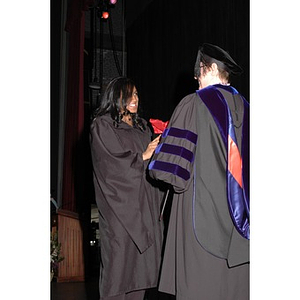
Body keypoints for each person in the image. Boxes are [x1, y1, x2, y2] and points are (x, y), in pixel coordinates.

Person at [149, 43, 250, 300]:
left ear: (213, 69)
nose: (196, 79)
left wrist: (158, 152)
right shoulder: (248, 109)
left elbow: (171, 172)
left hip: (202, 222)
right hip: (244, 228)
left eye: (199, 72)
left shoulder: (194, 103)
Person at [90, 77, 164, 300]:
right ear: (116, 96)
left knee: (140, 275)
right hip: (120, 214)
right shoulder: (102, 125)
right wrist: (142, 156)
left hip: (144, 209)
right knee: (119, 272)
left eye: (137, 94)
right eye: (130, 94)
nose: (135, 99)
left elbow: (152, 164)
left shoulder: (141, 127)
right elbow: (109, 164)